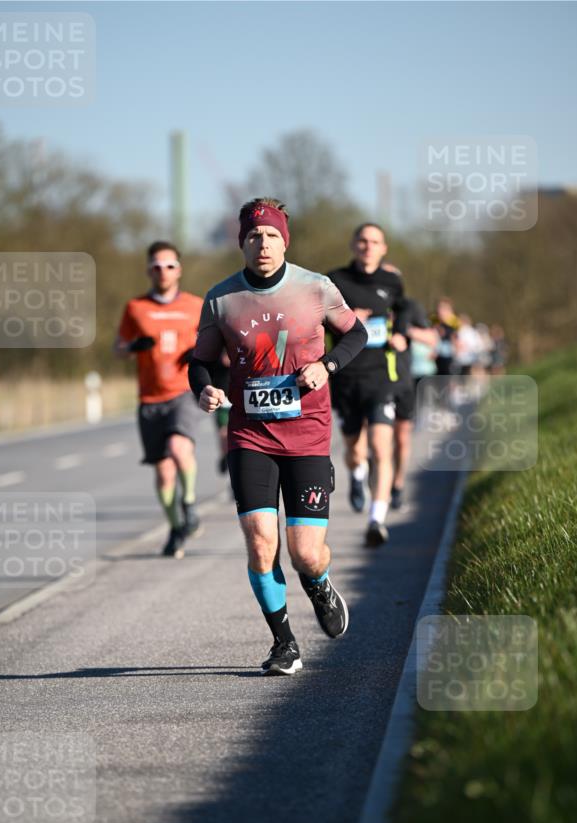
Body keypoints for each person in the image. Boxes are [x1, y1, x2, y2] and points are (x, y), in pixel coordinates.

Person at [189, 198, 368, 676]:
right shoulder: (221, 299)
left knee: (305, 553)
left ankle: (320, 584)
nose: (261, 244)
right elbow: (200, 360)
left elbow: (357, 335)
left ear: (283, 241)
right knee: (260, 543)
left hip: (308, 435)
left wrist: (326, 366)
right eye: (252, 236)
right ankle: (283, 642)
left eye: (270, 236)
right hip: (250, 436)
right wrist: (204, 387)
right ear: (242, 243)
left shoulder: (316, 287)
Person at [115, 240, 203, 559]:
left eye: (168, 266)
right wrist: (133, 347)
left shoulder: (196, 305)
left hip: (183, 392)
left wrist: (201, 354)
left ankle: (190, 503)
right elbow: (118, 348)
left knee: (180, 448)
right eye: (156, 266)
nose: (162, 272)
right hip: (149, 398)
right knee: (163, 471)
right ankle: (176, 527)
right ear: (148, 270)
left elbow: (216, 344)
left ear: (178, 270)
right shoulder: (135, 308)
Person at [327, 223, 406, 545]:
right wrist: (346, 318)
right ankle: (357, 475)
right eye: (362, 240)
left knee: (380, 447)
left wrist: (400, 333)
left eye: (375, 241)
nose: (368, 246)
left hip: (379, 376)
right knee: (353, 450)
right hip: (346, 376)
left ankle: (377, 519)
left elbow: (401, 312)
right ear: (353, 244)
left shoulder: (392, 281)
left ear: (383, 248)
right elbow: (318, 321)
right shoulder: (335, 281)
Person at [389, 296, 438, 510]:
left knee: (401, 438)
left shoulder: (409, 307)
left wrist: (406, 331)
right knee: (377, 440)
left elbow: (432, 338)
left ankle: (397, 485)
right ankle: (369, 474)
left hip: (403, 382)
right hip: (372, 383)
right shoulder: (362, 302)